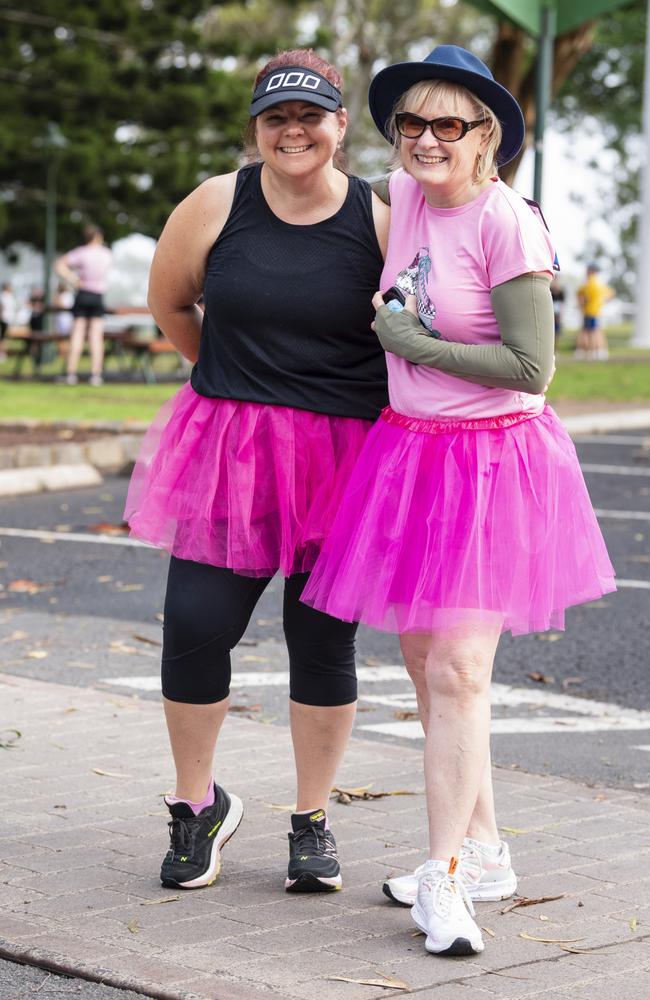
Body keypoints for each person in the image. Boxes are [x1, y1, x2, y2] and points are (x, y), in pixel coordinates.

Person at [302, 45, 616, 956]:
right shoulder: (403, 200)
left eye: (450, 124)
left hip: (491, 462)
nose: (427, 139)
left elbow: (532, 368)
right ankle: (483, 850)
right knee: (422, 661)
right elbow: (309, 177)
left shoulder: (506, 222)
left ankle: (443, 881)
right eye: (411, 124)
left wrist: (414, 341)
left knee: (459, 671)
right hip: (410, 455)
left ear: (488, 137)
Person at [123, 49, 391, 896]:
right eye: (276, 118)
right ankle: (196, 804)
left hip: (342, 460)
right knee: (195, 627)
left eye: (311, 116)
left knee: (320, 641)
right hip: (227, 450)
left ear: (341, 127)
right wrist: (233, 384)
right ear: (258, 130)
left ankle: (311, 820)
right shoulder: (215, 203)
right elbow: (170, 302)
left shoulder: (379, 221)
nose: (294, 130)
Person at [55, 224, 112, 385]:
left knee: (78, 335)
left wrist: (73, 279)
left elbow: (59, 264)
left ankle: (71, 374)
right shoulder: (106, 254)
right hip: (98, 296)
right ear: (98, 237)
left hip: (83, 294)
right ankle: (96, 375)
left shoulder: (81, 253)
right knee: (96, 337)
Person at [575, 263, 614, 360]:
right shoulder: (599, 284)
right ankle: (597, 351)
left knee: (591, 332)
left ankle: (593, 351)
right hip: (594, 311)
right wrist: (602, 302)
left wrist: (582, 303)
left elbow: (580, 294)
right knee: (594, 331)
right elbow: (611, 293)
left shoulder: (589, 283)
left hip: (590, 312)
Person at [0, 281, 15, 361]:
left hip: (8, 319)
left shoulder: (9, 296)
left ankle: (3, 353)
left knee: (5, 337)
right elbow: (1, 307)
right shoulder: (3, 296)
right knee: (3, 338)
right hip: (4, 319)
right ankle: (2, 353)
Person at [550, 276, 565, 341]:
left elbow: (562, 302)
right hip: (551, 310)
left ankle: (557, 343)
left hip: (558, 311)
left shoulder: (561, 290)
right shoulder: (550, 289)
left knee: (558, 326)